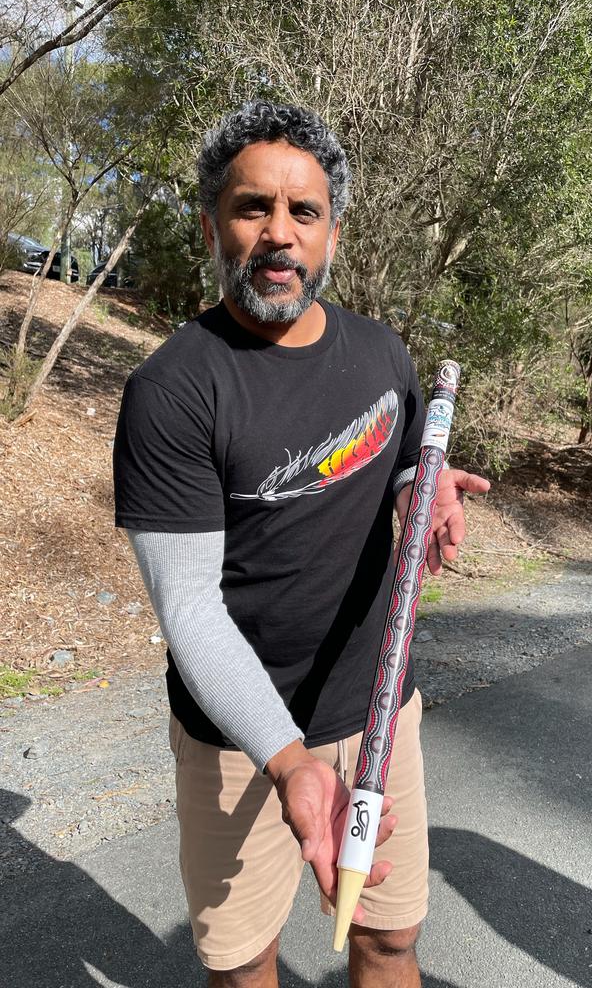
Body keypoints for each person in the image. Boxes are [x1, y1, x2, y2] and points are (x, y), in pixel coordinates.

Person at [113, 100, 490, 988]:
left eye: (304, 213)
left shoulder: (379, 351)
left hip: (379, 710)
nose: (279, 235)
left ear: (330, 233)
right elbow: (192, 615)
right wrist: (288, 764)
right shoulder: (172, 392)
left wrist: (420, 487)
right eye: (253, 209)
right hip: (242, 741)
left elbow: (395, 459)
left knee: (390, 939)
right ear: (212, 225)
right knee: (245, 968)